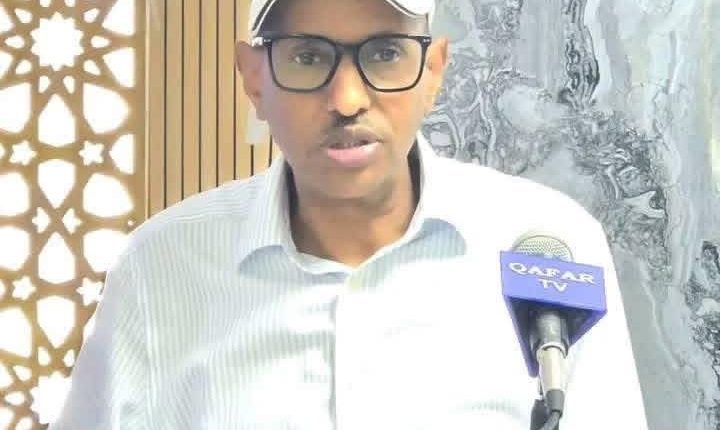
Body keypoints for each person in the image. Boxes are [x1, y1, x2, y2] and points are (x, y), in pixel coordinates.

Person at [51, 0, 649, 428]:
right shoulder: (161, 267)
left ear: (434, 72)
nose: (347, 99)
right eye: (308, 56)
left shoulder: (548, 242)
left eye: (384, 54)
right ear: (254, 78)